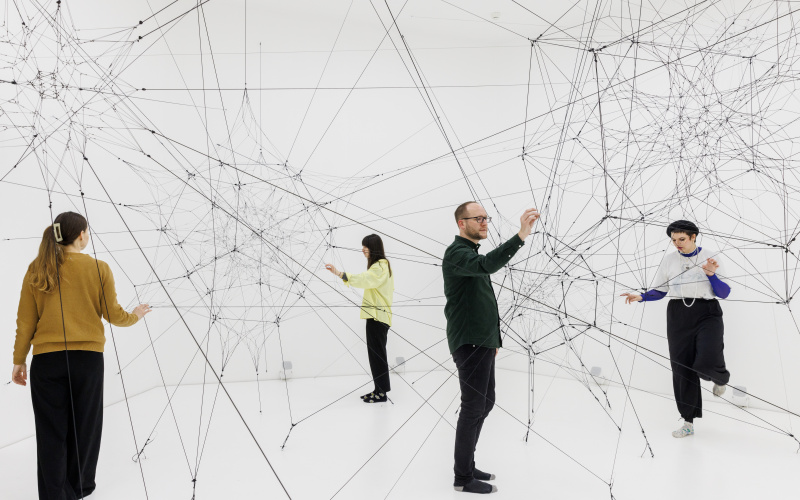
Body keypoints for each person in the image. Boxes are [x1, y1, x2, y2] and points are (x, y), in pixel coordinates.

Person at [11, 211, 152, 499]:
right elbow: (113, 315)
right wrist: (135, 316)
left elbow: (25, 321)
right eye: (87, 231)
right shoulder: (99, 269)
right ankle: (77, 490)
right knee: (85, 428)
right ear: (80, 235)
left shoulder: (37, 268)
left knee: (51, 432)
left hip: (47, 362)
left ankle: (54, 494)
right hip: (87, 361)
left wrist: (19, 360)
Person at [443, 201, 539, 494]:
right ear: (462, 223)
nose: (485, 223)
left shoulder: (470, 253)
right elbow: (488, 265)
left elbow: (481, 302)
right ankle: (462, 478)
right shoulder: (458, 253)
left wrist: (493, 341)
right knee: (473, 407)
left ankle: (468, 466)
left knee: (485, 402)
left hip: (482, 342)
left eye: (486, 218)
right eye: (478, 218)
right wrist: (520, 235)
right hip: (469, 342)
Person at [620, 220, 731, 439]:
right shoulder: (669, 260)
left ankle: (719, 378)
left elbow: (724, 293)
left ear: (693, 237)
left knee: (707, 359)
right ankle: (688, 422)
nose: (677, 243)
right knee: (682, 368)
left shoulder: (710, 256)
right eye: (673, 240)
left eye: (681, 239)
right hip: (678, 313)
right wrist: (641, 296)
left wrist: (711, 275)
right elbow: (661, 291)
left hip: (707, 311)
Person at [325, 234, 394, 403]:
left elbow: (365, 279)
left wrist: (340, 274)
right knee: (375, 354)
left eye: (367, 246)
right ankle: (378, 389)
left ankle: (381, 393)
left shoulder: (380, 266)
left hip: (378, 316)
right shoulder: (378, 266)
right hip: (375, 316)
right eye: (363, 246)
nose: (363, 249)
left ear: (374, 248)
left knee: (377, 355)